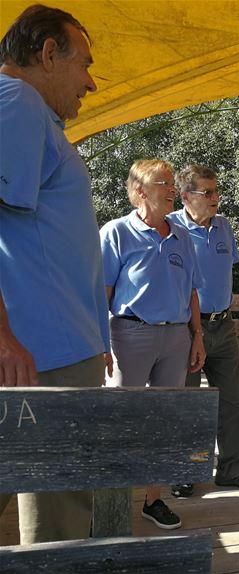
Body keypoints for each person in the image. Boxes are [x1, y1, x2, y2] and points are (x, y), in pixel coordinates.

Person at [0, 4, 109, 544]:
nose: (90, 83)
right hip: (43, 356)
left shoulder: (29, 113)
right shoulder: (17, 101)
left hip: (50, 348)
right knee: (59, 525)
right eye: (84, 64)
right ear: (47, 53)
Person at [100, 159, 206, 530]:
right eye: (163, 183)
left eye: (172, 183)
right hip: (128, 335)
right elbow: (102, 292)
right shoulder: (116, 232)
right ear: (140, 191)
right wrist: (101, 340)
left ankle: (153, 500)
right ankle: (110, 506)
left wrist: (197, 336)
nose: (172, 189)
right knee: (122, 419)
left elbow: (192, 291)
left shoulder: (182, 236)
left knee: (164, 421)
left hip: (176, 338)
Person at [167, 165, 239, 497]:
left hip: (224, 324)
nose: (215, 198)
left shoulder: (223, 226)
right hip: (186, 329)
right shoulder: (171, 227)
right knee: (190, 404)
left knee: (232, 403)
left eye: (216, 191)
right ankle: (186, 471)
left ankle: (232, 468)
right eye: (207, 192)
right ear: (185, 196)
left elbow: (221, 273)